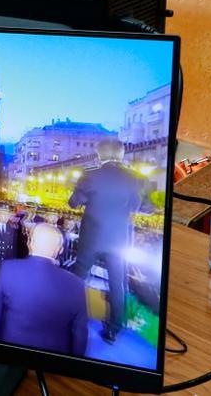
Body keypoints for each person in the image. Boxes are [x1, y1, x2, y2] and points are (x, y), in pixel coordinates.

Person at [68, 138, 144, 343]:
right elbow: (137, 205)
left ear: (99, 154)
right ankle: (113, 330)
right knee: (117, 284)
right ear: (120, 154)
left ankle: (68, 318)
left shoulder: (90, 175)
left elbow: (74, 203)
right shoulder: (133, 177)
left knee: (78, 279)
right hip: (118, 241)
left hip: (92, 238)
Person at [0, 224, 89, 356]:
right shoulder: (77, 284)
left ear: (30, 244)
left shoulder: (8, 268)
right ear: (60, 250)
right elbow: (80, 334)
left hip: (10, 352)